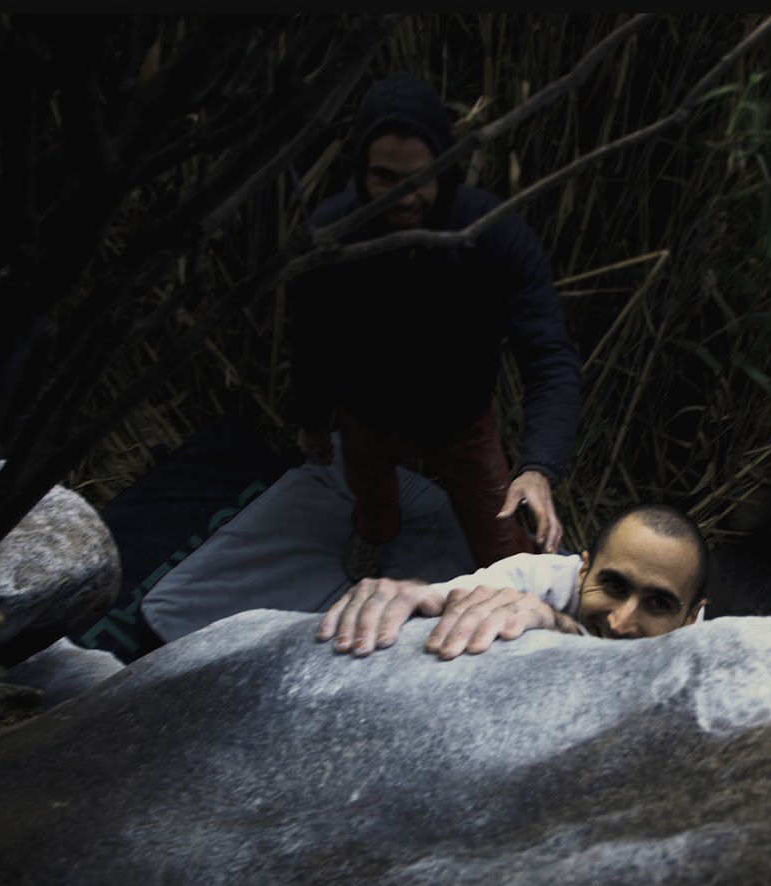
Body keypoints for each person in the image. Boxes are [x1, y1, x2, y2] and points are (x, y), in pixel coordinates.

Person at [286, 72, 582, 582]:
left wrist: (539, 467)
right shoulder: (330, 236)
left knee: (505, 551)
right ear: (360, 170)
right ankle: (375, 531)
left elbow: (549, 354)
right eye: (385, 178)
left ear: (445, 166)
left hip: (462, 421)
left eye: (420, 177)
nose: (404, 197)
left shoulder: (495, 234)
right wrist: (312, 418)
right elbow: (310, 338)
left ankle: (515, 591)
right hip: (366, 416)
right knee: (372, 502)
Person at [316, 504, 711, 660]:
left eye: (658, 604)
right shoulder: (534, 574)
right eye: (614, 586)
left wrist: (561, 626)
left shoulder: (698, 649)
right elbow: (450, 596)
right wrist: (409, 593)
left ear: (692, 618)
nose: (620, 623)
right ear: (582, 570)